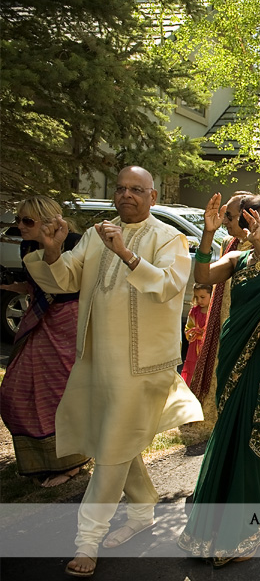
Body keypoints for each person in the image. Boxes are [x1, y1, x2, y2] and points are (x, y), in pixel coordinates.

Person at [24, 166, 202, 577]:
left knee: (112, 446)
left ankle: (88, 540)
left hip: (141, 366)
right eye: (120, 189)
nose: (126, 196)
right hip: (95, 360)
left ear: (152, 196)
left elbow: (167, 286)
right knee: (116, 442)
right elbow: (64, 278)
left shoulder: (168, 238)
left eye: (136, 190)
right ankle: (142, 511)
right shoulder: (95, 234)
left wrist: (125, 252)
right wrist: (52, 249)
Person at [178, 193, 260, 565]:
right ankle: (210, 529)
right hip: (235, 361)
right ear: (240, 224)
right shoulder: (238, 259)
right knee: (229, 439)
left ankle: (244, 532)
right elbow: (203, 276)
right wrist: (207, 234)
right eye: (255, 219)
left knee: (254, 445)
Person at [0, 196, 88, 488]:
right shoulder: (27, 246)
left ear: (49, 221)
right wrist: (9, 285)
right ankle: (42, 459)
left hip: (67, 323)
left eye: (27, 221)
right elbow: (37, 283)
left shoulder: (75, 242)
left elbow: (72, 284)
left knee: (57, 395)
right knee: (15, 391)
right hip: (40, 319)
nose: (20, 226)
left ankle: (71, 463)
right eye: (18, 220)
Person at [190, 191, 252, 422]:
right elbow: (205, 275)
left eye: (230, 217)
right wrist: (209, 232)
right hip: (222, 314)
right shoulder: (230, 242)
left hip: (245, 320)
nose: (225, 222)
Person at [181, 283, 212, 386]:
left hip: (206, 346)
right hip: (194, 347)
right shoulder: (194, 311)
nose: (199, 300)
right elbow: (188, 327)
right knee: (192, 368)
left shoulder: (212, 313)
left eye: (202, 297)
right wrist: (190, 334)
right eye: (197, 297)